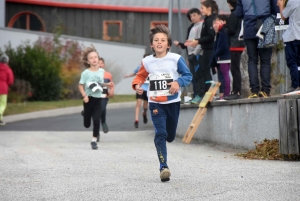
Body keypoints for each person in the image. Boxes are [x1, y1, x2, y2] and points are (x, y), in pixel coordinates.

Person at [132, 25, 192, 182]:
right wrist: (137, 86)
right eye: (156, 40)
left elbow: (188, 75)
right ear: (151, 44)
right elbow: (139, 77)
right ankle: (163, 167)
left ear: (168, 44)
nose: (159, 42)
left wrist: (177, 82)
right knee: (160, 133)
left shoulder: (176, 59)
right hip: (155, 103)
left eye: (162, 40)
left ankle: (166, 141)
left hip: (172, 102)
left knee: (170, 136)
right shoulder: (147, 61)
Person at [236, 0, 279, 98]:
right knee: (265, 61)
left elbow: (238, 13)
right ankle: (265, 91)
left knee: (252, 60)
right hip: (265, 27)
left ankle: (254, 91)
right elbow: (275, 10)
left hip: (249, 28)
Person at [78, 46, 113, 150]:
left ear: (98, 59)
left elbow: (99, 84)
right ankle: (85, 114)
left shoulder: (101, 71)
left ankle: (94, 141)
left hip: (98, 99)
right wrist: (84, 95)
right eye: (91, 58)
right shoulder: (85, 73)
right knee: (87, 124)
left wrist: (107, 85)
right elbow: (80, 85)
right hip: (88, 99)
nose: (94, 59)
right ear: (88, 61)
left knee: (97, 120)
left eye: (95, 57)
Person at [185, 0, 218, 104]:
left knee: (204, 72)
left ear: (208, 8)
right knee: (203, 72)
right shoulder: (207, 20)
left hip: (208, 50)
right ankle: (203, 94)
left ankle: (207, 94)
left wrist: (197, 41)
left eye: (202, 8)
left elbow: (210, 36)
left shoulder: (209, 21)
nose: (201, 10)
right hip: (205, 50)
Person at [173, 8, 203, 103]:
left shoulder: (201, 26)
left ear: (199, 15)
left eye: (194, 15)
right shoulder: (191, 27)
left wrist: (195, 53)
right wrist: (181, 45)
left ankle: (200, 94)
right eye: (191, 16)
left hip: (197, 54)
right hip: (190, 54)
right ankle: (195, 94)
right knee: (192, 76)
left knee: (198, 75)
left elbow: (200, 42)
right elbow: (188, 43)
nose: (192, 18)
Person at [223, 0, 245, 100]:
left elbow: (231, 30)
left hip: (235, 44)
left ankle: (237, 91)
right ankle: (237, 90)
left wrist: (222, 27)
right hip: (241, 42)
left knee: (235, 69)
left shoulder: (233, 15)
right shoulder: (242, 13)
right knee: (236, 68)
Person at [278, 0, 300, 94]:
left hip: (293, 35)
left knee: (292, 61)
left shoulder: (294, 1)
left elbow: (283, 16)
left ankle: (295, 85)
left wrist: (281, 5)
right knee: (299, 62)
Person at [124, 53, 150, 128]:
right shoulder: (140, 67)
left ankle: (144, 113)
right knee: (138, 104)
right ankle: (136, 120)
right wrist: (128, 75)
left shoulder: (151, 67)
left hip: (148, 89)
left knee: (145, 105)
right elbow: (135, 73)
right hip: (140, 87)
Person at [210, 15, 231, 100]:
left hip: (223, 58)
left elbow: (222, 46)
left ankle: (226, 93)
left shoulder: (223, 32)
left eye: (216, 22)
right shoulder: (219, 33)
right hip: (222, 57)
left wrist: (216, 54)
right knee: (223, 75)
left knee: (224, 75)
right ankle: (224, 93)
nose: (215, 25)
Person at [99, 57, 114, 134]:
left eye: (101, 63)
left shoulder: (108, 75)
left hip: (104, 96)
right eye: (98, 63)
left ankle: (103, 122)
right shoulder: (92, 74)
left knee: (102, 109)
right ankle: (96, 133)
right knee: (96, 114)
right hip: (95, 96)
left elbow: (111, 85)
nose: (100, 65)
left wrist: (111, 91)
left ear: (103, 65)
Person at [0, 55, 14, 126]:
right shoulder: (8, 70)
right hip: (3, 89)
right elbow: (10, 80)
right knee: (2, 104)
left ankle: (0, 119)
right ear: (7, 62)